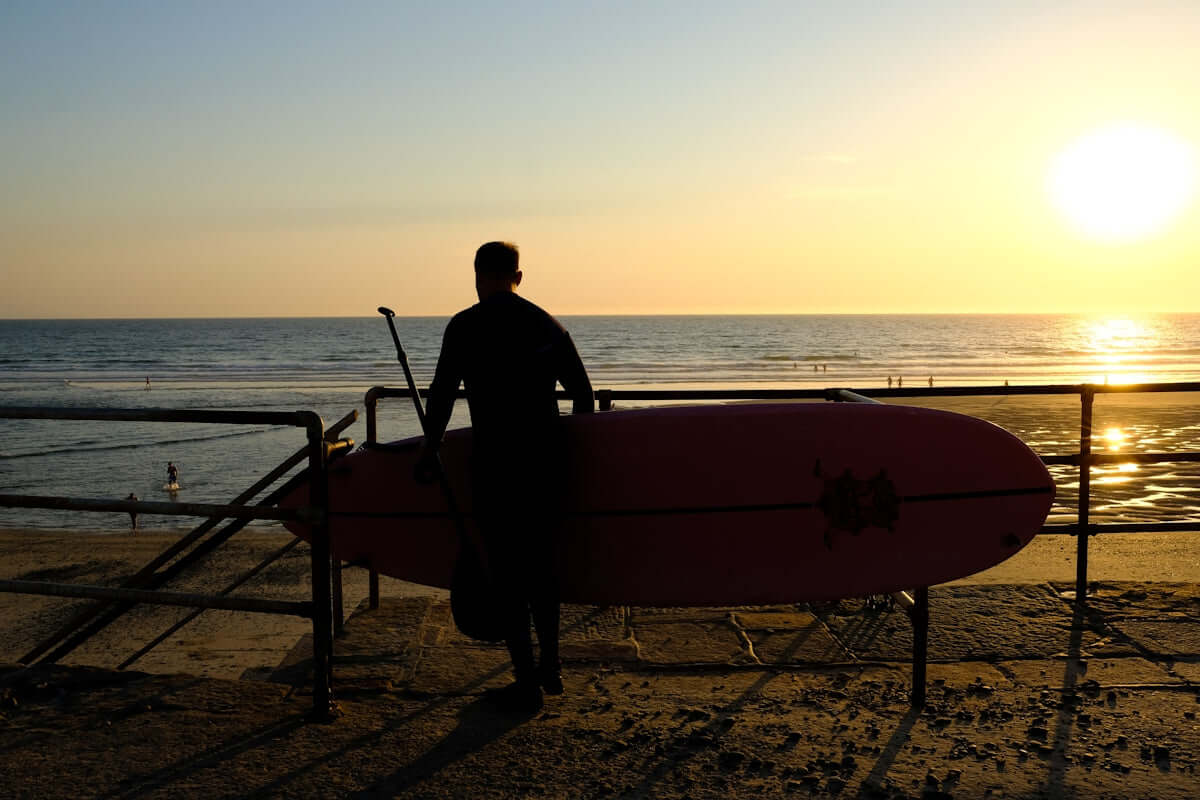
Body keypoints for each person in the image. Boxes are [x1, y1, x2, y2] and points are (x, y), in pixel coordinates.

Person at [417, 241, 594, 713]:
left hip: (494, 462)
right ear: (520, 276)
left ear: (476, 275)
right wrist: (569, 450)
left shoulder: (464, 326)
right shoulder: (545, 323)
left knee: (507, 572)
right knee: (542, 566)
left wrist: (429, 448)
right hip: (545, 462)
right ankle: (551, 667)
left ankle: (526, 681)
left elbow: (439, 397)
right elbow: (583, 394)